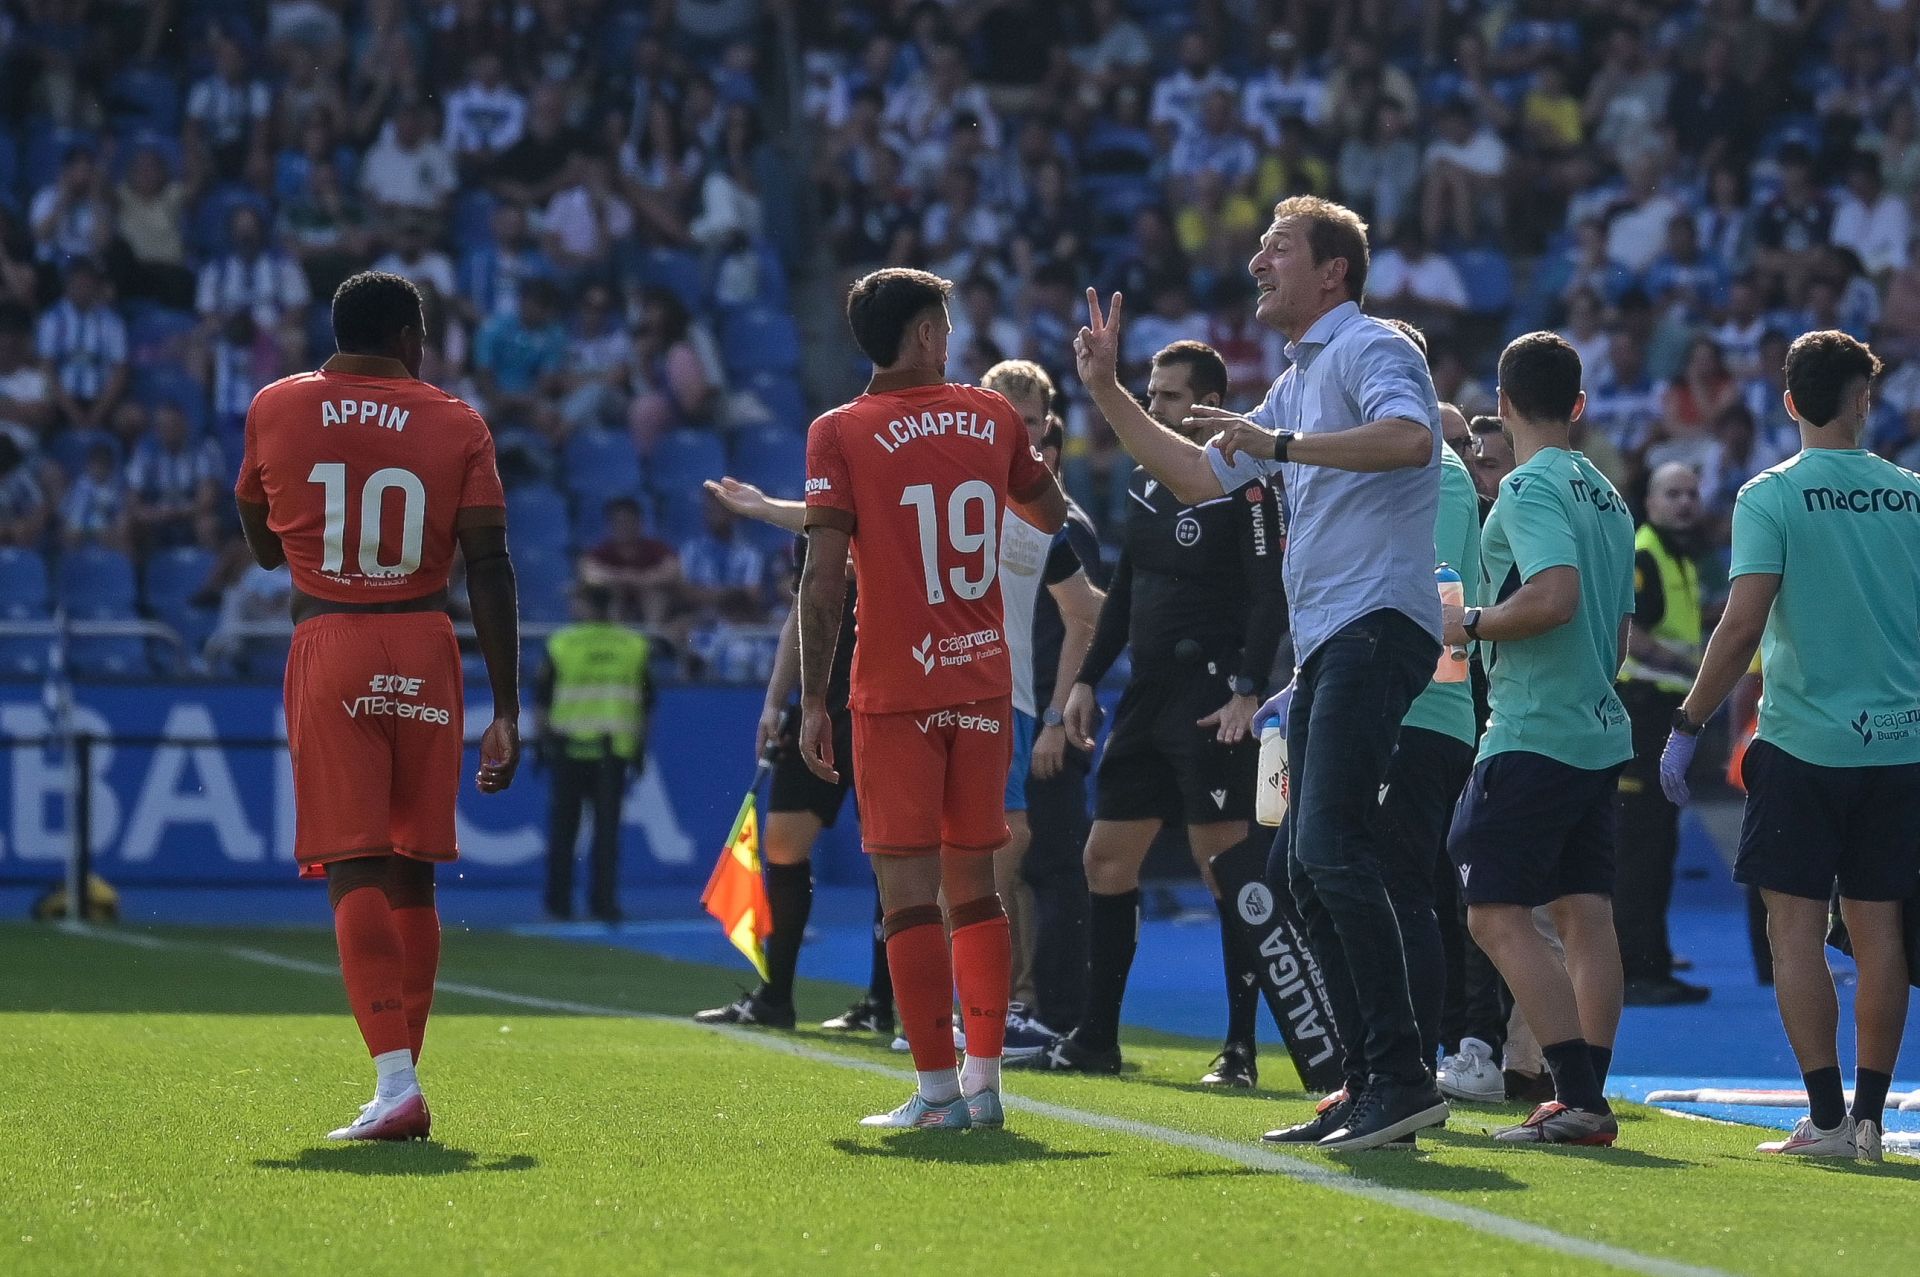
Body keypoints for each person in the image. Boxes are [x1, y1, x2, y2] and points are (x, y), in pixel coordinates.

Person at [1068, 195, 1447, 1151]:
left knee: (1327, 851)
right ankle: (1370, 1083)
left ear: (1333, 272)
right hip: (1330, 644)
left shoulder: (1371, 348)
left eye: (1277, 248)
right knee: (1294, 867)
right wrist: (1108, 391)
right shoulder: (1300, 373)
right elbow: (1201, 477)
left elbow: (1413, 441)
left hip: (1373, 629)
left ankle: (1402, 1079)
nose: (1256, 263)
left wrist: (1278, 446)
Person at [233, 270, 521, 1142]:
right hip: (426, 643)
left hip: (333, 639)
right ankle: (404, 1076)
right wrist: (506, 707)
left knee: (353, 863)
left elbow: (259, 547)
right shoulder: (457, 421)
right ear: (407, 337)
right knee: (413, 868)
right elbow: (491, 565)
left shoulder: (276, 406)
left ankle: (395, 1082)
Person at [798, 267, 1068, 1130]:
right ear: (926, 336)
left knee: (908, 895)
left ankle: (936, 1091)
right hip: (984, 685)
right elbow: (1052, 511)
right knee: (977, 889)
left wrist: (812, 698)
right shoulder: (991, 416)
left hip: (896, 688)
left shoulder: (838, 431)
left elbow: (823, 577)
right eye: (944, 326)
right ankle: (985, 1082)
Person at [1661, 330, 1919, 1164]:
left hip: (1804, 745)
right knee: (1880, 931)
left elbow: (1740, 625)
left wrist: (1687, 722)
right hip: (1899, 744)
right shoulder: (1912, 495)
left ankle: (1828, 1118)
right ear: (1863, 400)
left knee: (1795, 934)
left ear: (1788, 403)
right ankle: (1874, 1120)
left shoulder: (1769, 494)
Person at [1022, 339, 1285, 1087]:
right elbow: (1127, 593)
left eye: (1168, 396)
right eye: (1152, 392)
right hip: (1145, 698)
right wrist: (1086, 681)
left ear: (1205, 406)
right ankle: (1097, 1034)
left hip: (1211, 701)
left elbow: (1269, 596)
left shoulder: (1249, 485)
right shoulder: (1142, 487)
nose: (1154, 406)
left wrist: (1244, 688)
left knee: (1224, 871)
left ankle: (1239, 1049)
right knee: (1104, 859)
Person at [1440, 331, 1636, 1147]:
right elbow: (1615, 632)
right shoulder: (1609, 495)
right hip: (1597, 723)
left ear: (1503, 402)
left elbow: (1553, 598)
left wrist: (1469, 622)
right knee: (1585, 915)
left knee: (1490, 911)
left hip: (1534, 728)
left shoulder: (1526, 487)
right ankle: (1585, 1091)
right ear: (1580, 405)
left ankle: (1579, 1096)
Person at [692, 480, 895, 1036]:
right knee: (782, 845)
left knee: (891, 854)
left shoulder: (892, 517)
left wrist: (763, 508)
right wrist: (772, 703)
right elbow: (801, 616)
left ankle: (884, 1003)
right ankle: (775, 996)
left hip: (883, 706)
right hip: (816, 711)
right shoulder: (813, 533)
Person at [978, 359, 1106, 1055]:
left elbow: (1089, 615)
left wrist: (1059, 711)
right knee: (987, 864)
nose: (1015, 433)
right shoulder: (976, 498)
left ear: (1047, 431)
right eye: (1003, 414)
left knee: (1033, 865)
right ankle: (990, 1006)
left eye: (1028, 423)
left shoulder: (1053, 518)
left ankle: (1033, 1010)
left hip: (1026, 717)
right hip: (983, 705)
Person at [1615, 462, 1710, 1006]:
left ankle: (1651, 960)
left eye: (1692, 494)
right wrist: (1697, 665)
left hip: (1667, 710)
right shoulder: (1645, 553)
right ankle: (1635, 970)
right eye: (1672, 493)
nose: (1684, 503)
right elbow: (1633, 631)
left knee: (1658, 841)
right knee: (1640, 846)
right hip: (1644, 711)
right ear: (1649, 502)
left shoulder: (1678, 558)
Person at [535, 584, 654, 923]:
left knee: (563, 834)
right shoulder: (634, 645)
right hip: (612, 752)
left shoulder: (562, 644)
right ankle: (604, 904)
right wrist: (640, 750)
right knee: (607, 836)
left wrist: (544, 744)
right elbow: (647, 706)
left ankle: (558, 905)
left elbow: (542, 701)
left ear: (586, 605)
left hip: (568, 749)